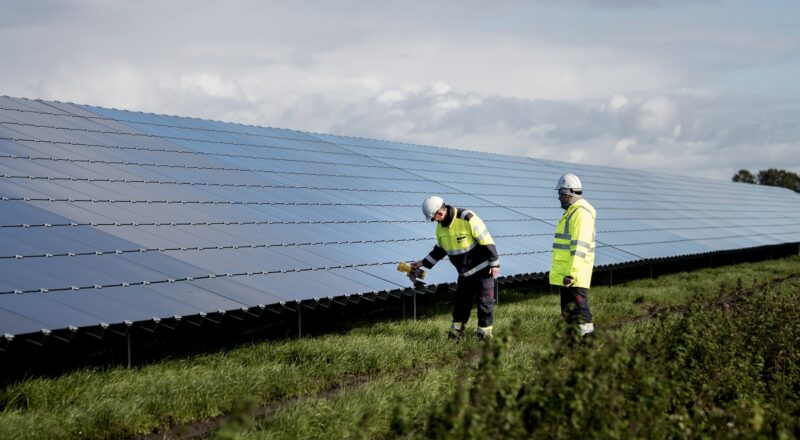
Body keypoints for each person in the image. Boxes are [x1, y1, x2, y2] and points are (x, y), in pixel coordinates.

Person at [410, 196, 500, 340]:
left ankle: (484, 338)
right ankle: (455, 335)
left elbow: (486, 239)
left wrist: (494, 262)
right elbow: (439, 251)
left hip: (483, 270)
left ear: (440, 211)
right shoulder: (440, 229)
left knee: (485, 304)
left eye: (435, 217)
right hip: (464, 274)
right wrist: (422, 264)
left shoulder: (467, 218)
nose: (435, 221)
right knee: (461, 306)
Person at [550, 173, 597, 336]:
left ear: (568, 192)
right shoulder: (573, 212)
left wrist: (572, 273)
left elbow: (579, 246)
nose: (559, 198)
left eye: (560, 194)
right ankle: (573, 346)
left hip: (573, 275)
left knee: (580, 313)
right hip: (568, 274)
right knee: (569, 313)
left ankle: (588, 345)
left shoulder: (580, 213)